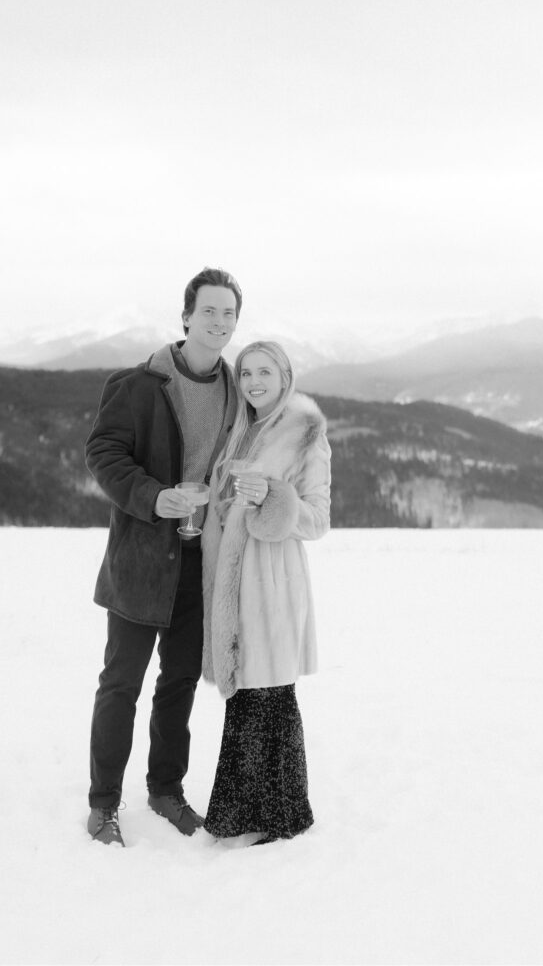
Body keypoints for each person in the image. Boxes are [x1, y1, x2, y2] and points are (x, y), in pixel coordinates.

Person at [85, 267, 242, 846]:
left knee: (177, 682)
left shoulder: (235, 390)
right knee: (120, 683)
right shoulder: (139, 384)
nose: (219, 323)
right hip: (140, 560)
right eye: (209, 312)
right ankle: (104, 805)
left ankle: (164, 790)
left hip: (199, 563)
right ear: (185, 316)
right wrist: (156, 497)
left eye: (229, 314)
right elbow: (103, 452)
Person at [201, 340, 331, 845]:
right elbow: (228, 505)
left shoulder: (305, 436)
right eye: (247, 373)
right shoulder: (242, 432)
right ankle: (245, 816)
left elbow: (317, 519)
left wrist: (274, 497)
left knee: (270, 693)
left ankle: (280, 817)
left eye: (265, 372)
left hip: (274, 581)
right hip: (235, 582)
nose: (254, 382)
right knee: (248, 695)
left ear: (285, 375)